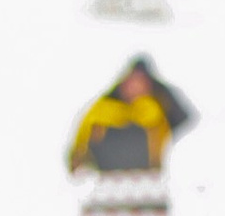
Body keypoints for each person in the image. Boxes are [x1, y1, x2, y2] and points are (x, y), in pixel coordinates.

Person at [67, 57, 197, 182]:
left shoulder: (157, 110)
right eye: (132, 80)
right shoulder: (101, 111)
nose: (135, 86)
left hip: (150, 185)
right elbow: (78, 150)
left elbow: (185, 122)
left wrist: (162, 90)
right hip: (104, 186)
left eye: (141, 81)